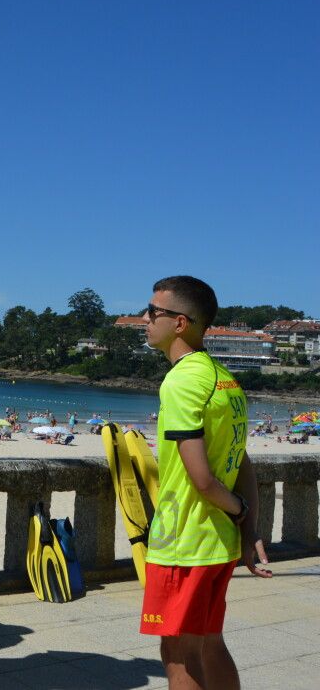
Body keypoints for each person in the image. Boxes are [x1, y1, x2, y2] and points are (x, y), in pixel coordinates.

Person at [138, 276, 272, 689]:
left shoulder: (180, 382)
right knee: (210, 644)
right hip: (216, 543)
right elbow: (242, 461)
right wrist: (247, 530)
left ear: (180, 323)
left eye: (153, 312)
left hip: (185, 542)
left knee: (179, 657)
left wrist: (241, 510)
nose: (145, 318)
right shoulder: (224, 379)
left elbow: (201, 479)